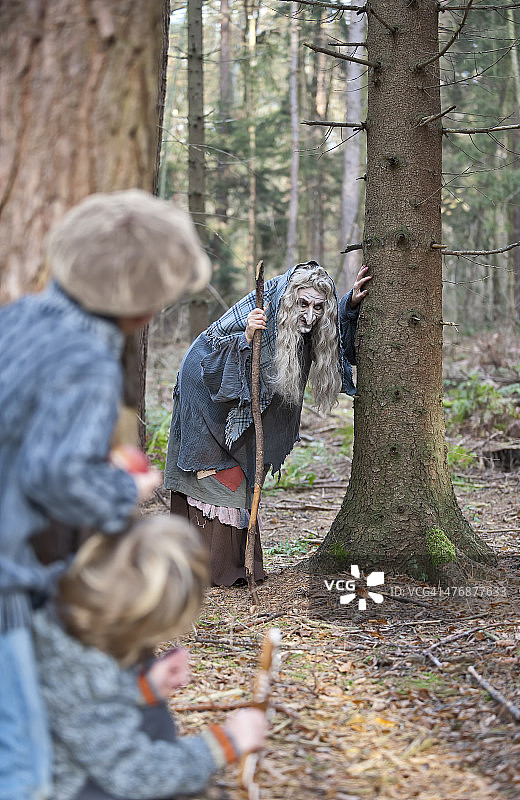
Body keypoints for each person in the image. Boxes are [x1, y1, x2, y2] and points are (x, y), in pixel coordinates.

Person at [0, 189, 210, 800]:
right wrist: (127, 485)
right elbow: (54, 477)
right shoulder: (89, 358)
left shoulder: (20, 317)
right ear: (145, 309)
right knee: (22, 762)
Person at [164, 261, 371, 586]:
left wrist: (349, 303)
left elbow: (334, 338)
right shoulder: (269, 302)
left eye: (319, 307)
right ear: (291, 299)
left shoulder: (315, 317)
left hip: (242, 390)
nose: (310, 315)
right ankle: (205, 567)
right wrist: (247, 335)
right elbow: (217, 350)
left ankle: (232, 564)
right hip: (208, 383)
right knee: (214, 468)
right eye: (303, 304)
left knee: (240, 470)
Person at [32, 514, 266, 800]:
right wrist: (223, 744)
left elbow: (82, 708)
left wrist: (144, 684)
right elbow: (133, 774)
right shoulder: (85, 664)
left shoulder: (65, 611)